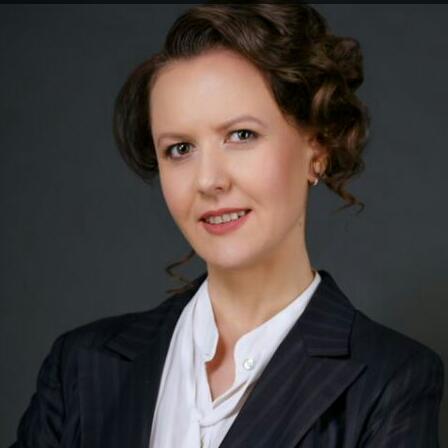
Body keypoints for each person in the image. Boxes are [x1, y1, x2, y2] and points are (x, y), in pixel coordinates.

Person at [11, 3, 444, 447]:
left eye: (241, 135)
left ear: (317, 147)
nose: (208, 180)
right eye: (180, 148)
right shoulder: (79, 367)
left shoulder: (390, 382)